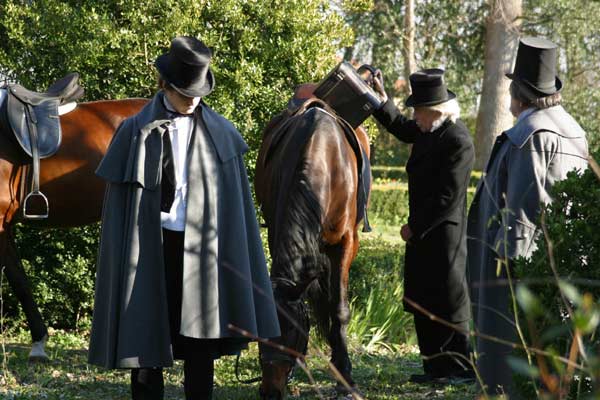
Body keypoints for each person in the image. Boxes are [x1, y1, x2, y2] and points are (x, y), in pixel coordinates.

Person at [87, 36, 280, 400]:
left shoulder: (222, 134)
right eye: (184, 92)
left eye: (197, 92)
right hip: (148, 250)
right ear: (165, 85)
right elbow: (120, 213)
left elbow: (236, 217)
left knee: (200, 345)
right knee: (143, 339)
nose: (192, 99)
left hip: (202, 252)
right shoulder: (134, 132)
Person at [467, 37, 589, 397]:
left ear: (520, 91)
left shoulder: (530, 134)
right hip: (563, 269)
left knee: (511, 363)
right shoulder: (572, 128)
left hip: (520, 278)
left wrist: (509, 273)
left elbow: (521, 213)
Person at [373, 68, 475, 384]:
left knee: (448, 299)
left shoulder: (457, 139)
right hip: (422, 234)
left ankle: (459, 369)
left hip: (443, 235)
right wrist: (380, 101)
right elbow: (402, 128)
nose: (414, 115)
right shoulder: (427, 130)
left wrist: (414, 227)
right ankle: (434, 366)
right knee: (423, 298)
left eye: (418, 110)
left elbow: (448, 197)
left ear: (435, 111)